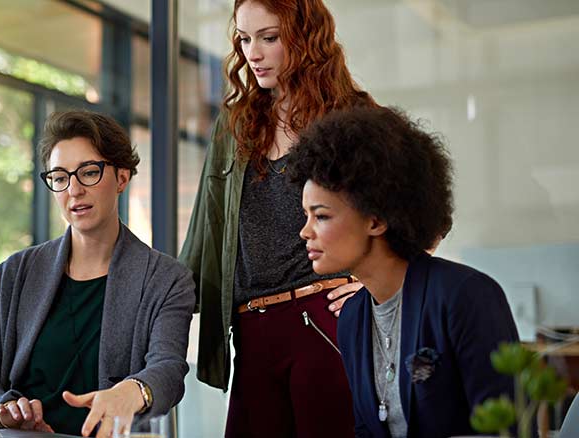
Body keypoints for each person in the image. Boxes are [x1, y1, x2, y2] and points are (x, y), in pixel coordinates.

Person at [179, 0, 375, 436]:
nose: (254, 53)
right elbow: (202, 236)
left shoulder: (352, 117)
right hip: (251, 333)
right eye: (245, 39)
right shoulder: (234, 126)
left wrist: (370, 284)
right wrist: (151, 304)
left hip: (326, 325)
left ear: (306, 37)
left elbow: (423, 219)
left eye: (269, 37)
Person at [0, 110, 196, 438]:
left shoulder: (166, 279)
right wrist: (3, 410)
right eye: (60, 177)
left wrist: (134, 391)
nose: (74, 190)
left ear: (122, 178)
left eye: (88, 172)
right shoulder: (14, 274)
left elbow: (167, 370)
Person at [289, 106, 519, 438]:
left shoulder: (466, 296)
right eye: (306, 215)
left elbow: (503, 430)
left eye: (321, 216)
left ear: (376, 220)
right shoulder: (353, 318)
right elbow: (366, 430)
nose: (305, 232)